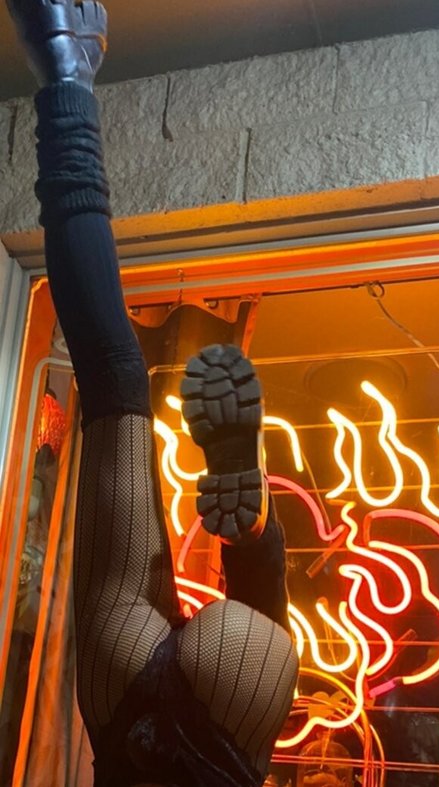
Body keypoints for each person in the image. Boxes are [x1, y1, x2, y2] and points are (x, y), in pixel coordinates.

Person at [5, 1, 299, 785]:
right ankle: (62, 65)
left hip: (234, 704)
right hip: (122, 697)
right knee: (109, 372)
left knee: (117, 379)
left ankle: (256, 539)